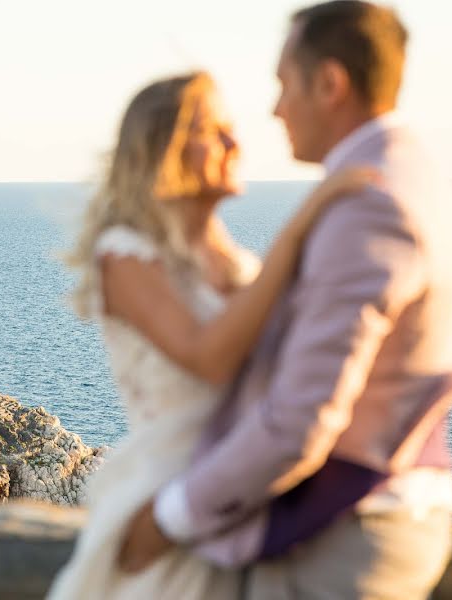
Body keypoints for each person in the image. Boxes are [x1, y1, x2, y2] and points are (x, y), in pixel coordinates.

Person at [118, 2, 452, 598]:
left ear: (330, 84)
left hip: (344, 537)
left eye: (284, 85)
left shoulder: (370, 202)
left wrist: (169, 518)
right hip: (374, 520)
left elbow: (302, 420)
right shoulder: (416, 177)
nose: (275, 109)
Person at [46, 69, 373, 599]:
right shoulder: (125, 254)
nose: (234, 142)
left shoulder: (240, 266)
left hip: (245, 504)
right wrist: (298, 230)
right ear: (164, 151)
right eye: (211, 129)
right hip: (164, 512)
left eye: (230, 127)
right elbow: (209, 357)